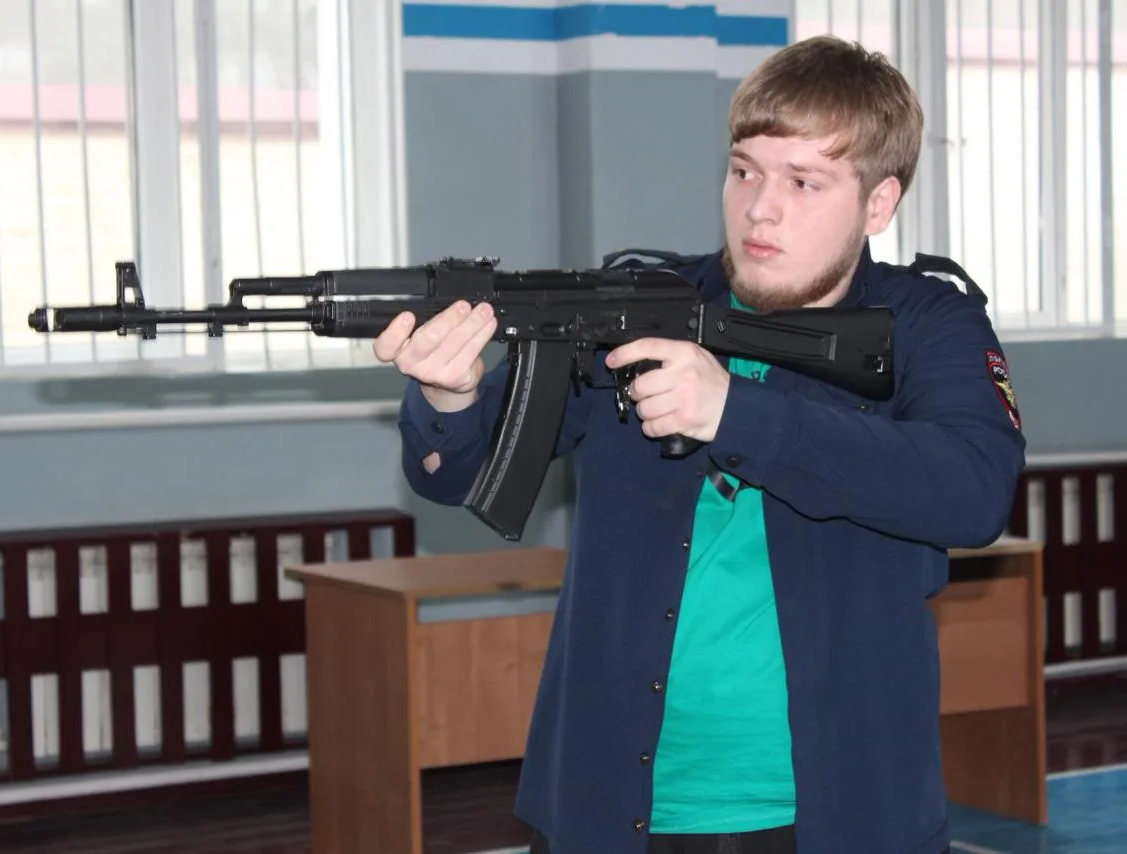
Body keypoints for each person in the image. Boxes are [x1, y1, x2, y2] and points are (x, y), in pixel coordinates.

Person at [373, 35, 1026, 854]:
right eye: (744, 170)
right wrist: (449, 394)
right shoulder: (637, 304)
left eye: (803, 182)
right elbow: (458, 472)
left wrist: (735, 413)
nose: (760, 208)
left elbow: (973, 492)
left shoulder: (930, 324)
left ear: (878, 203)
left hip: (835, 813)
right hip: (605, 806)